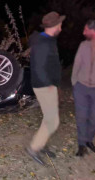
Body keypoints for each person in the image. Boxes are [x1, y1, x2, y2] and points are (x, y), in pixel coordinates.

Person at [26, 11, 65, 165]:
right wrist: (48, 84)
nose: (61, 27)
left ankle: (40, 144)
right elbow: (39, 67)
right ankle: (33, 148)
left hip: (48, 84)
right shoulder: (43, 42)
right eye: (60, 24)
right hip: (44, 86)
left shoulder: (48, 40)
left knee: (49, 117)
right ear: (54, 26)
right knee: (52, 121)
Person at [71, 18, 95, 156]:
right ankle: (82, 144)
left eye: (86, 30)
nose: (83, 32)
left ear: (93, 30)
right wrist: (74, 83)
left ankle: (89, 140)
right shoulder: (83, 45)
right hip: (81, 87)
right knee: (81, 117)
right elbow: (76, 64)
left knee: (94, 118)